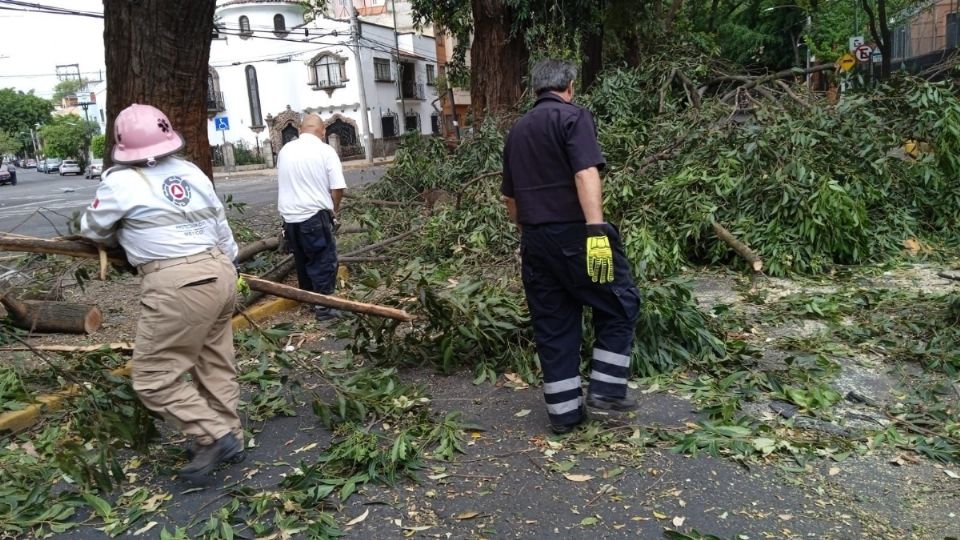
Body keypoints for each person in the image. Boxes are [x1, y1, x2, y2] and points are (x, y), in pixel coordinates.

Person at [80, 103, 244, 480]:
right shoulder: (192, 172)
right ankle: (230, 432)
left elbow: (91, 228)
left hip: (176, 283)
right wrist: (230, 266)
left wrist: (118, 233)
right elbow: (222, 227)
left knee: (153, 377)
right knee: (215, 361)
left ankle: (215, 434)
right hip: (220, 271)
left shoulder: (119, 182)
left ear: (122, 145)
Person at [501, 59, 642, 434]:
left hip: (535, 241)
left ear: (537, 90)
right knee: (618, 301)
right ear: (570, 86)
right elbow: (585, 172)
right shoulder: (572, 118)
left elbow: (510, 197)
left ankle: (564, 416)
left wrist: (528, 233)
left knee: (554, 324)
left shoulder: (517, 131)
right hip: (578, 237)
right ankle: (608, 391)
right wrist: (596, 230)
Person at [276, 113, 347, 321]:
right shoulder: (325, 151)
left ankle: (309, 299)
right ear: (323, 130)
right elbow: (338, 187)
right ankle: (325, 310)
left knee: (303, 259)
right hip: (314, 216)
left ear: (300, 129)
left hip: (289, 218)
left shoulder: (285, 150)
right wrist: (334, 209)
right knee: (323, 260)